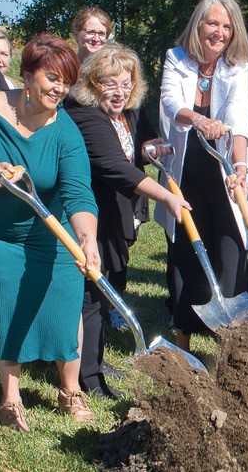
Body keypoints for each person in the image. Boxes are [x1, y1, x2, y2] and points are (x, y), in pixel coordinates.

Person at [0, 34, 100, 429]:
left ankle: (70, 390)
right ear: (27, 75)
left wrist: (88, 238)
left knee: (66, 299)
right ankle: (10, 397)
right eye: (52, 78)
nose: (59, 88)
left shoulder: (65, 130)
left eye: (66, 81)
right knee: (5, 301)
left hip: (50, 231)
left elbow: (78, 192)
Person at [68, 44, 187, 392]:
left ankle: (95, 361)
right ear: (91, 83)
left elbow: (142, 141)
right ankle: (88, 378)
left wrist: (154, 147)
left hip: (116, 214)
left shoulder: (127, 111)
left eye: (125, 83)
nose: (119, 92)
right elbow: (115, 167)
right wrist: (167, 196)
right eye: (110, 83)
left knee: (108, 287)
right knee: (93, 292)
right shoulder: (84, 114)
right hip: (91, 213)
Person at [157, 0, 248, 351]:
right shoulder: (176, 59)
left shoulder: (240, 68)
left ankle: (233, 342)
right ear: (198, 25)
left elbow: (238, 118)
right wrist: (200, 120)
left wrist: (239, 166)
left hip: (227, 171)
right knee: (186, 250)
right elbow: (172, 103)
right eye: (212, 23)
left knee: (231, 248)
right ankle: (184, 338)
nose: (219, 32)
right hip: (186, 169)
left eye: (226, 26)